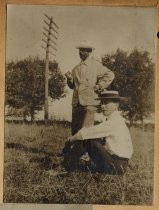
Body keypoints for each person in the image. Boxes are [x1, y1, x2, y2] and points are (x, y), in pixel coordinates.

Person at [63, 90, 133, 175]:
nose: (103, 106)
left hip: (116, 166)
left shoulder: (113, 122)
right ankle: (70, 164)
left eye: (106, 103)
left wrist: (71, 139)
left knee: (88, 139)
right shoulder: (117, 120)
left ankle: (66, 166)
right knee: (92, 139)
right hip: (119, 164)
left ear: (116, 105)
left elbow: (84, 134)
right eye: (102, 103)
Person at [65, 41, 115, 135]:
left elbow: (110, 74)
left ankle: (86, 149)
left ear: (89, 51)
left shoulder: (96, 65)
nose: (80, 52)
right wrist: (69, 79)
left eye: (83, 50)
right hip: (76, 103)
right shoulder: (75, 69)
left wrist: (100, 85)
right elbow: (73, 86)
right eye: (80, 50)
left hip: (90, 103)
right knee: (75, 130)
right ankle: (75, 149)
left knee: (87, 130)